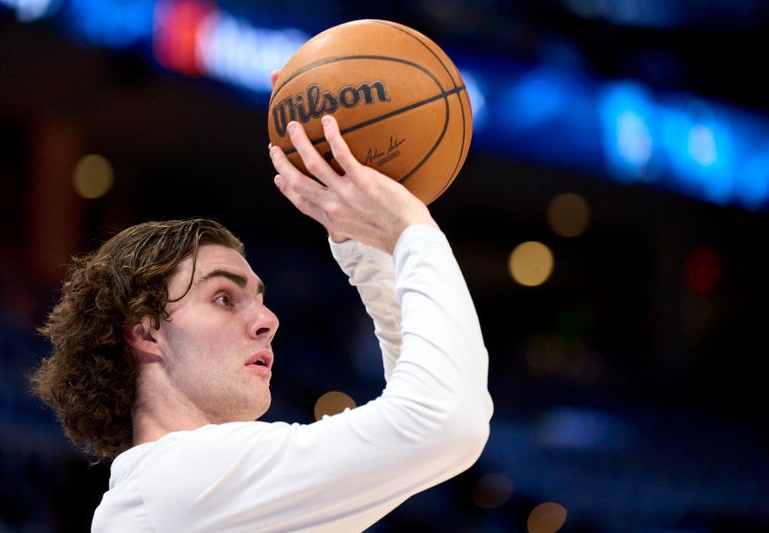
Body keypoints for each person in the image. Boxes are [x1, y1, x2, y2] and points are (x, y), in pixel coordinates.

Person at [31, 111, 492, 531]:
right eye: (225, 298)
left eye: (259, 299)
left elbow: (428, 418)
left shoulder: (197, 493)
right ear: (147, 331)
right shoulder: (185, 479)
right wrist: (409, 227)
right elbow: (444, 420)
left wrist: (366, 247)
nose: (268, 320)